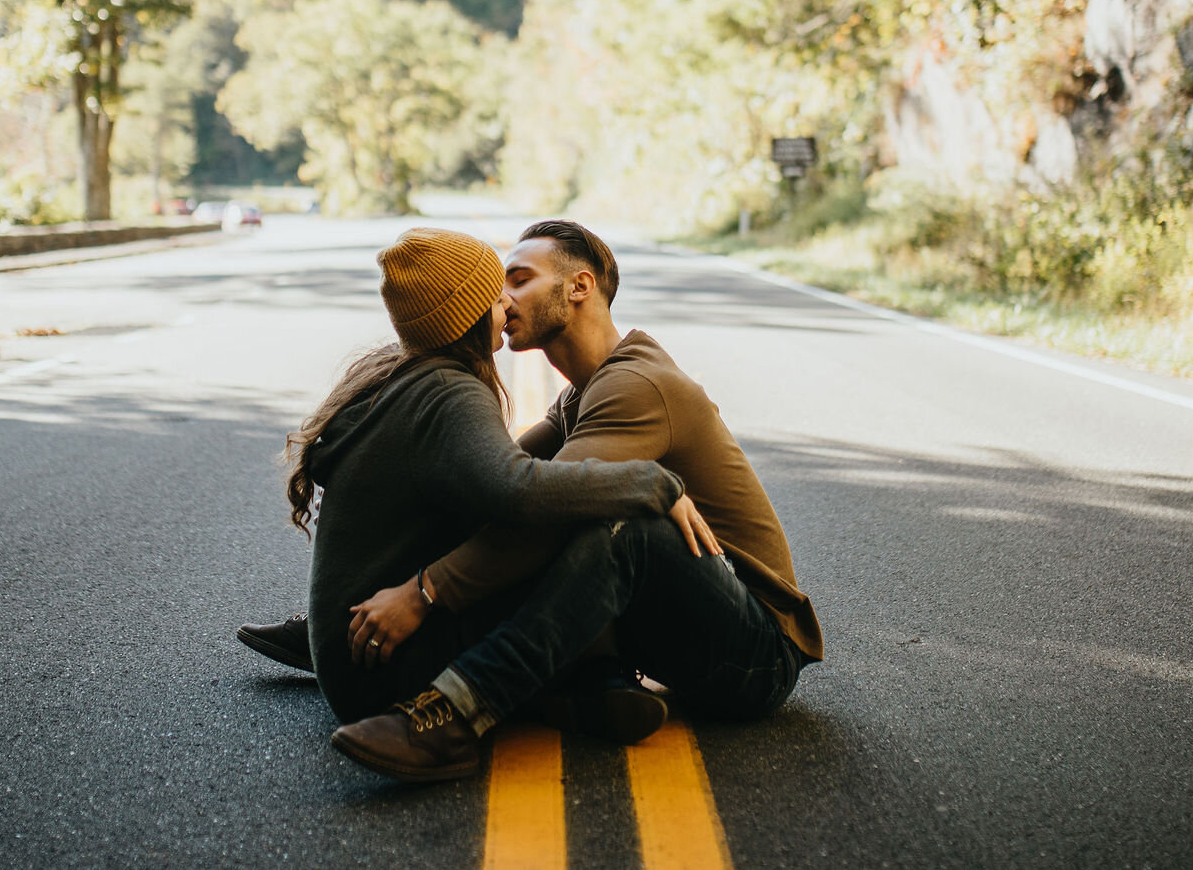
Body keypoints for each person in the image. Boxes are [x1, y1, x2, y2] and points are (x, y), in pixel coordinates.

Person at [246, 220, 823, 782]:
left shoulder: (636, 387)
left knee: (619, 520)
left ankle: (460, 711)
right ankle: (586, 686)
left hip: (753, 651)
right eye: (497, 285)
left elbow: (533, 513)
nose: (502, 297)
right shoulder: (579, 395)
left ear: (579, 288)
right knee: (557, 504)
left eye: (519, 278)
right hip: (682, 623)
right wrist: (353, 597)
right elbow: (497, 492)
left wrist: (423, 592)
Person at [286, 225, 708, 750]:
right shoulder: (449, 393)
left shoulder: (401, 376)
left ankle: (581, 692)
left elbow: (520, 466)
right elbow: (522, 488)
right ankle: (564, 687)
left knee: (546, 526)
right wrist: (651, 482)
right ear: (464, 314)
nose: (506, 304)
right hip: (387, 673)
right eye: (495, 293)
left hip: (353, 651)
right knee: (579, 531)